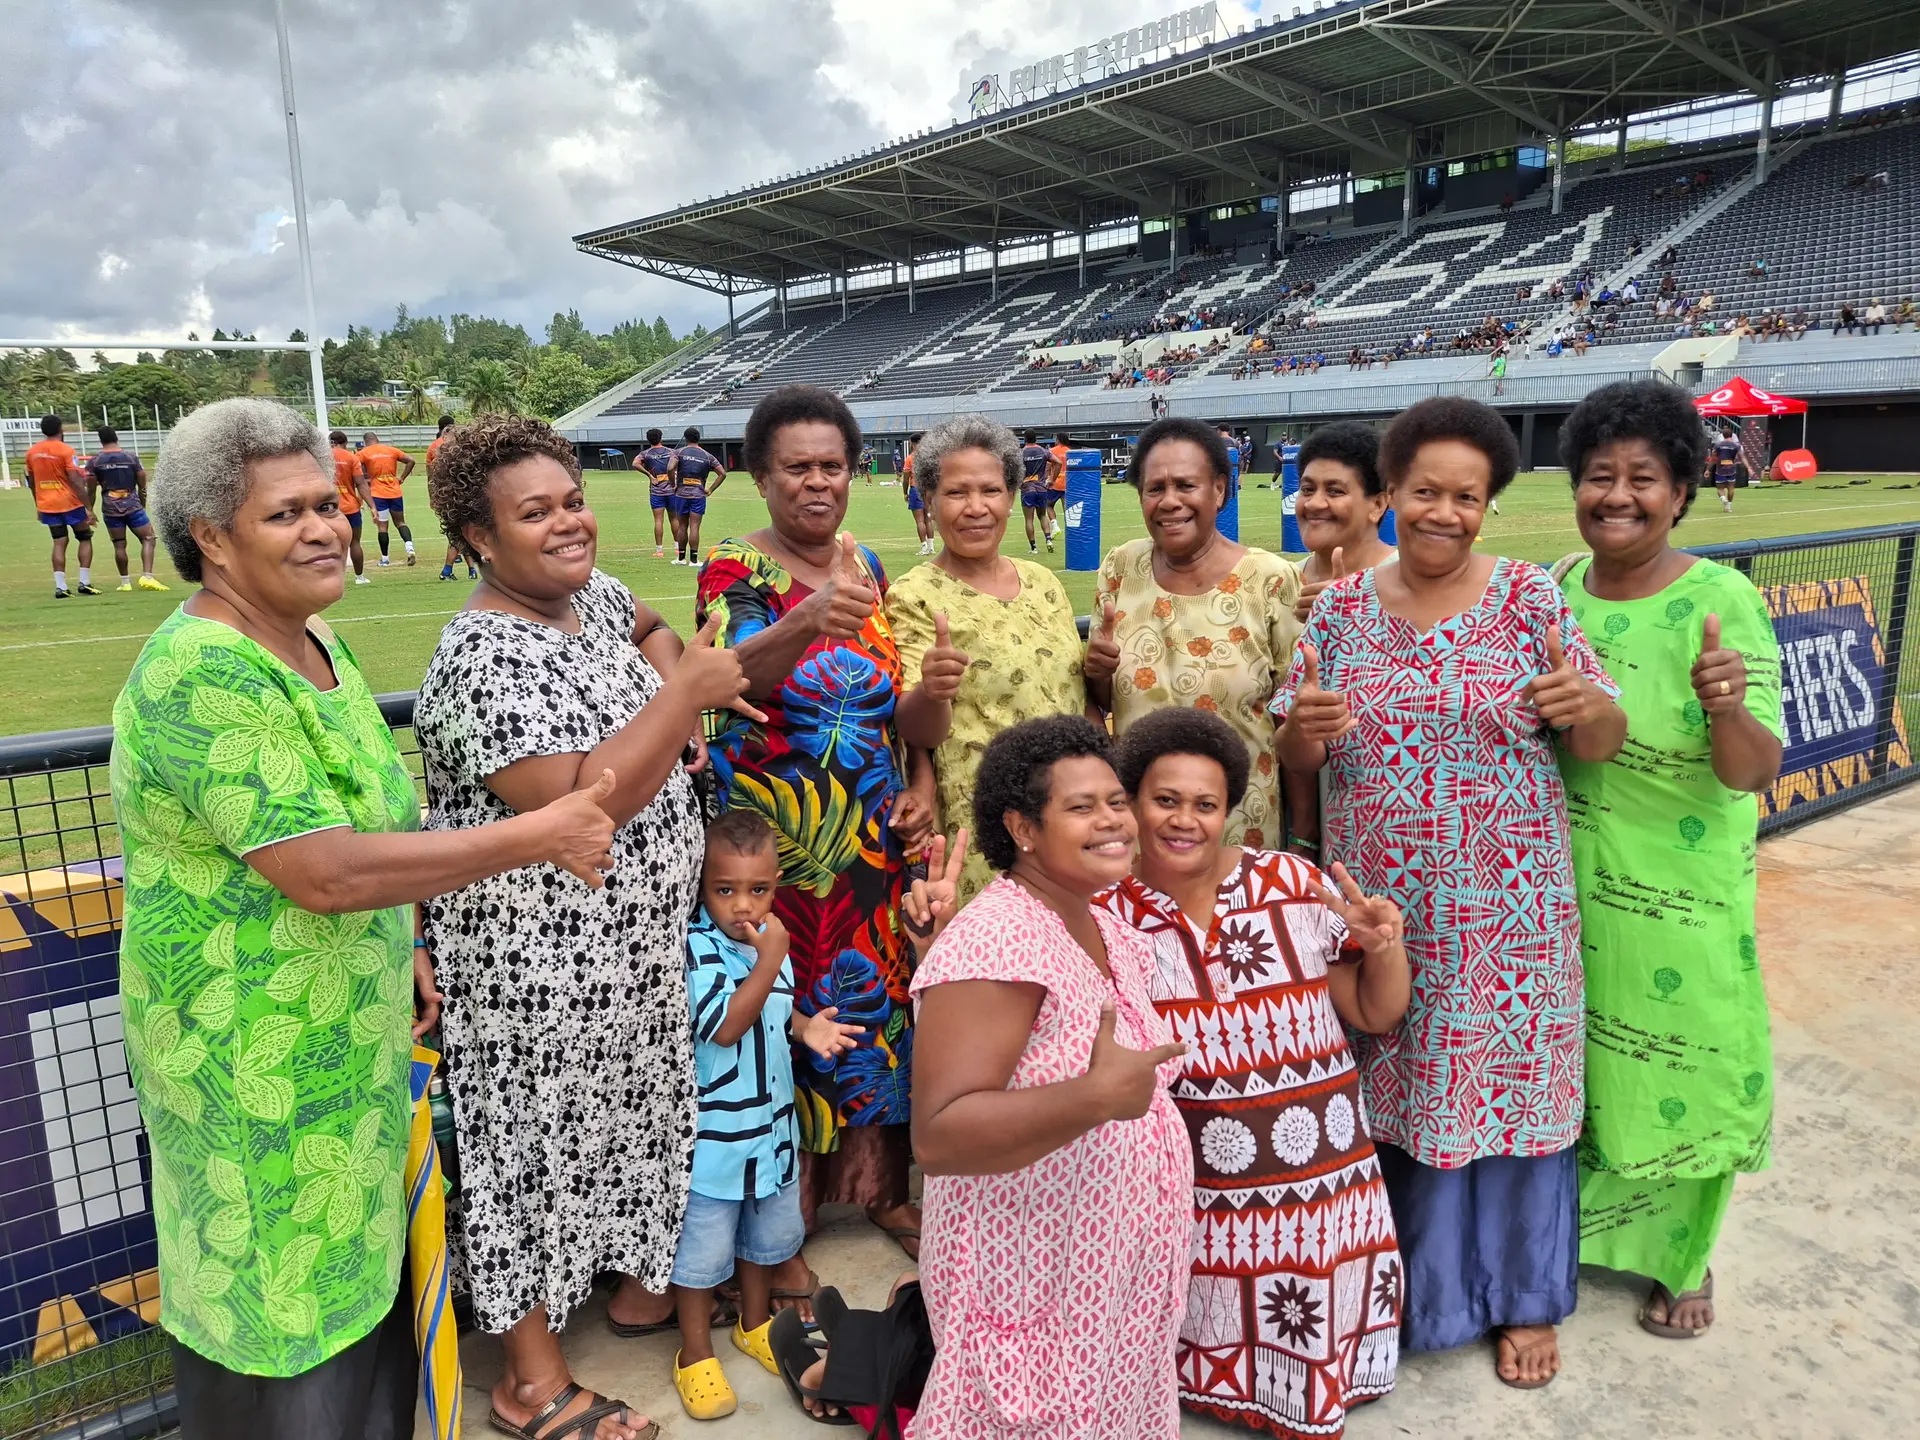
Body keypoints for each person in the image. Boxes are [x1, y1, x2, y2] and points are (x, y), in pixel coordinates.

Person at [113, 397, 624, 1440]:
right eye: (285, 514)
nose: (325, 527)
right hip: (250, 1065)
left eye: (329, 502)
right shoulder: (201, 672)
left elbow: (367, 823)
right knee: (280, 1318)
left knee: (363, 1299)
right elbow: (327, 870)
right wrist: (541, 833)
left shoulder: (315, 643)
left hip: (347, 1047)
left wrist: (413, 943)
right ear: (211, 537)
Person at [414, 412, 758, 1440]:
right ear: (477, 537)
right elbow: (577, 800)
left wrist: (666, 671)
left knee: (613, 1136)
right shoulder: (476, 656)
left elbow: (651, 621)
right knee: (525, 1157)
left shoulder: (590, 601)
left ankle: (629, 1288)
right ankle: (530, 1380)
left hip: (627, 955)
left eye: (572, 500)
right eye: (535, 512)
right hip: (532, 971)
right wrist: (684, 700)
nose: (568, 523)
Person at [1272, 395, 1626, 1389]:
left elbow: (1599, 739)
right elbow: (1297, 747)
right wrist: (1305, 720)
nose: (1445, 512)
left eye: (1468, 496)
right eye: (1426, 490)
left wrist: (1588, 708)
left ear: (1489, 505)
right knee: (1398, 1088)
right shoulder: (1338, 609)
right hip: (1384, 907)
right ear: (1390, 494)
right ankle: (1400, 1292)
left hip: (1512, 913)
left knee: (1509, 1092)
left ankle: (1521, 1298)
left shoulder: (1529, 600)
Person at [1101, 709, 1408, 1440]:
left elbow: (1374, 1011)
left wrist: (1384, 945)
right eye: (1164, 799)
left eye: (1205, 805)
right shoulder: (1106, 913)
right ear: (1132, 802)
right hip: (1199, 1202)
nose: (1184, 821)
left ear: (1230, 811)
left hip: (1324, 1195)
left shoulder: (1292, 886)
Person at [1553, 379, 1782, 1341]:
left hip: (1682, 888)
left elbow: (1753, 772)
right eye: (1598, 475)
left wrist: (1728, 706)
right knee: (1587, 1065)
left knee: (1685, 1060)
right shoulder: (1556, 588)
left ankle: (1683, 1260)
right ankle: (1571, 1238)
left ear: (1682, 489)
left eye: (1642, 478)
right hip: (1564, 878)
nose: (1618, 495)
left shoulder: (1721, 599)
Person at [696, 384, 931, 1293]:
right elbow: (724, 681)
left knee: (879, 1008)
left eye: (832, 465)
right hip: (779, 850)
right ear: (761, 477)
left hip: (868, 836)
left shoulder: (867, 560)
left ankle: (876, 1188)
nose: (817, 482)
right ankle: (777, 1216)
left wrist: (916, 786)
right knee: (782, 1018)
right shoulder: (732, 568)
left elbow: (890, 705)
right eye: (796, 467)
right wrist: (804, 618)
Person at [909, 715, 1192, 1440]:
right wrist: (1091, 1100)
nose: (1112, 821)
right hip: (1030, 1289)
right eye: (1080, 807)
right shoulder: (999, 941)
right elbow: (940, 1138)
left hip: (1103, 1289)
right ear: (1022, 828)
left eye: (1115, 801)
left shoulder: (1107, 926)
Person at [670, 811, 865, 1420]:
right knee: (701, 1255)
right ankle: (694, 1354)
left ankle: (755, 1325)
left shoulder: (768, 945)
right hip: (719, 1139)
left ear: (777, 884)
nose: (742, 906)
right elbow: (727, 1027)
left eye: (758, 890)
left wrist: (810, 1028)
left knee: (762, 1241)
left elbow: (778, 1011)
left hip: (772, 1130)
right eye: (724, 889)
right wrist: (768, 957)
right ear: (703, 886)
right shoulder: (702, 949)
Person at [886, 415, 1090, 903]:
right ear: (929, 502)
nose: (975, 508)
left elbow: (1077, 699)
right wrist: (933, 691)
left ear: (1012, 496)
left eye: (991, 491)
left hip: (1074, 820)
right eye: (956, 493)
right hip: (984, 832)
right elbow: (918, 731)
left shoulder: (1044, 583)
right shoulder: (915, 596)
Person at [1084, 416, 1302, 850]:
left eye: (1186, 485)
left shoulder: (1270, 580)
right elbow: (1107, 701)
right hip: (1141, 832)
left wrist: (1305, 836)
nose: (1169, 501)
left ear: (1219, 489)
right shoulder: (1120, 568)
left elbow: (1292, 721)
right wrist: (1098, 672)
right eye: (1155, 488)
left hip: (1242, 829)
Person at [86, 426, 168, 591]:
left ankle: (125, 583)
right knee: (148, 538)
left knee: (119, 545)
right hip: (132, 505)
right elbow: (142, 485)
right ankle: (147, 576)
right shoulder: (131, 458)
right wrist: (141, 505)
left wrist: (89, 510)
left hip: (110, 507)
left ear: (100, 440)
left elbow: (91, 490)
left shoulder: (95, 462)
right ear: (116, 438)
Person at [25, 414, 96, 596]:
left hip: (47, 504)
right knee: (84, 537)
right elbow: (75, 481)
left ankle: (61, 586)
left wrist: (38, 505)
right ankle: (84, 582)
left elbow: (32, 482)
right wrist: (88, 508)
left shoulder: (32, 452)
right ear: (60, 430)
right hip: (69, 502)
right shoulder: (66, 451)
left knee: (59, 542)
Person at [427, 416, 475, 582]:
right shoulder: (457, 447)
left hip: (443, 495)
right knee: (460, 532)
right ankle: (447, 570)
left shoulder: (432, 447)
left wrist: (432, 497)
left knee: (460, 531)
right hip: (458, 494)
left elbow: (430, 476)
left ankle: (470, 570)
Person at [359, 430, 417, 566]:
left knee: (382, 526)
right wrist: (401, 478)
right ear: (377, 439)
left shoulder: (364, 453)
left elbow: (356, 467)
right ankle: (410, 548)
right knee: (401, 522)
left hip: (378, 493)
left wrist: (365, 480)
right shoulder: (391, 450)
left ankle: (385, 559)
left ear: (366, 442)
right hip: (395, 491)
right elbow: (411, 460)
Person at [672, 426, 727, 566]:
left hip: (681, 494)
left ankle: (681, 559)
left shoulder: (678, 452)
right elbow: (722, 473)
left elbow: (670, 468)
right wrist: (710, 489)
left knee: (682, 526)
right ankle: (694, 560)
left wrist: (673, 483)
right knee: (695, 526)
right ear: (699, 439)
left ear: (685, 439)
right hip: (698, 494)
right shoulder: (707, 456)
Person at [329, 429, 375, 585]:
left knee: (329, 544)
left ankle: (334, 578)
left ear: (331, 442)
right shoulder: (351, 457)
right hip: (350, 507)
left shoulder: (322, 457)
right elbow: (361, 483)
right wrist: (372, 506)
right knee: (355, 542)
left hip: (329, 508)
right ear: (345, 443)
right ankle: (360, 577)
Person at [632, 426, 679, 558]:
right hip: (671, 490)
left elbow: (635, 463)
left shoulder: (645, 454)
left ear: (648, 440)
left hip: (656, 491)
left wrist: (649, 475)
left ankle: (659, 551)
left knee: (658, 520)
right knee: (674, 518)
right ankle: (677, 548)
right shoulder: (671, 452)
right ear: (661, 438)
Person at [1018, 429, 1055, 554]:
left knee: (1029, 519)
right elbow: (1058, 462)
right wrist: (1051, 479)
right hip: (1041, 488)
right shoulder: (1043, 451)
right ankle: (1049, 540)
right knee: (1042, 515)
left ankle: (1034, 548)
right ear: (1036, 439)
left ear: (1024, 439)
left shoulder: (1021, 453)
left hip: (1027, 488)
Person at [902, 431, 934, 556]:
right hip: (928, 489)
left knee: (919, 520)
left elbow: (905, 477)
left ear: (913, 443)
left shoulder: (910, 458)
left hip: (916, 488)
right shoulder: (928, 458)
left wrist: (905, 492)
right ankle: (931, 546)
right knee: (928, 519)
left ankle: (924, 547)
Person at [1711, 423, 1741, 513]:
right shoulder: (1735, 445)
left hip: (1720, 468)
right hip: (1731, 467)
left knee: (1720, 488)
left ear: (1723, 435)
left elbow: (1713, 457)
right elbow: (1739, 456)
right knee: (1731, 488)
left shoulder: (1718, 444)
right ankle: (1729, 506)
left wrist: (1708, 469)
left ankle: (1724, 499)